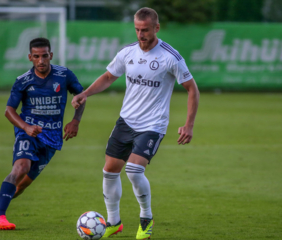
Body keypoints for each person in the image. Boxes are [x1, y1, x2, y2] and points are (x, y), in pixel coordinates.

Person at [71, 7, 200, 240]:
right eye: (138, 30)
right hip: (126, 121)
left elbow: (192, 89)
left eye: (146, 30)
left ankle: (146, 218)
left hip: (153, 125)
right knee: (109, 171)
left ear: (156, 28)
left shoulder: (170, 56)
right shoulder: (127, 52)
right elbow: (109, 76)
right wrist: (86, 93)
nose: (141, 35)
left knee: (133, 170)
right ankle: (113, 222)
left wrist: (188, 124)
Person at [0, 37, 85, 230]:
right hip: (28, 134)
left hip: (52, 139)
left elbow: (81, 96)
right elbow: (9, 111)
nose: (41, 60)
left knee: (21, 186)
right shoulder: (23, 81)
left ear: (50, 55)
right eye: (36, 56)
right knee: (21, 168)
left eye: (44, 56)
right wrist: (25, 128)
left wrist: (75, 120)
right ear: (30, 57)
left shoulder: (64, 75)